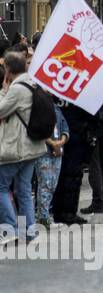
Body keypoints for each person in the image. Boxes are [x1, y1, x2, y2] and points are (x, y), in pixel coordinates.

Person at [0, 49, 46, 241]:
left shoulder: (17, 89)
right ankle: (29, 231)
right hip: (32, 147)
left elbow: (1, 110)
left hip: (16, 148)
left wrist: (3, 90)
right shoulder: (33, 83)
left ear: (8, 69)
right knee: (25, 190)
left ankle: (10, 228)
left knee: (1, 188)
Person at [34, 103, 69, 227]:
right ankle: (43, 217)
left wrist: (61, 142)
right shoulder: (37, 107)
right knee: (45, 185)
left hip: (57, 152)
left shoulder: (56, 108)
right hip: (44, 152)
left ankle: (45, 215)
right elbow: (37, 129)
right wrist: (53, 143)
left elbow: (65, 127)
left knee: (53, 185)